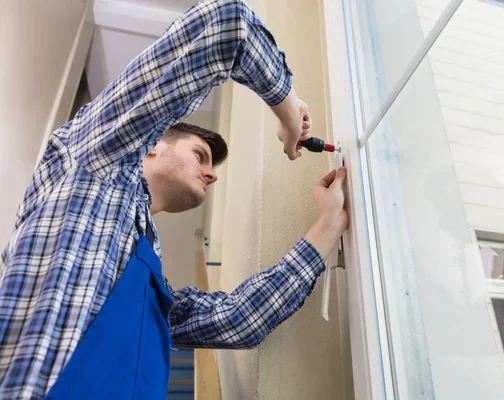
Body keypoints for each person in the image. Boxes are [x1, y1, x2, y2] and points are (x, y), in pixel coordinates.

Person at [0, 1, 348, 399]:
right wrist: (290, 112)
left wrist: (330, 223)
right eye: (200, 154)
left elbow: (239, 320)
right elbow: (226, 24)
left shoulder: (151, 282)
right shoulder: (89, 160)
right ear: (150, 146)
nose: (212, 173)